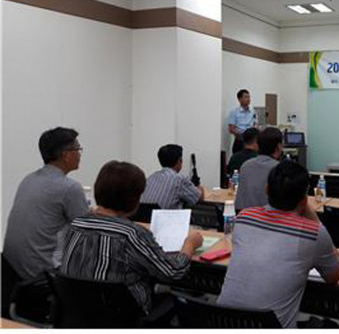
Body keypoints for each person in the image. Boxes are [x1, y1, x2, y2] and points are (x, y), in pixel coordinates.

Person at [59, 160, 203, 315]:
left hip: (78, 312)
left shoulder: (75, 225)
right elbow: (173, 272)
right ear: (133, 198)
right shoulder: (131, 234)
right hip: (124, 315)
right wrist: (190, 245)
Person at [218, 160, 339, 328]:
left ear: (267, 190)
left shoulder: (243, 218)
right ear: (304, 200)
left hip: (223, 323)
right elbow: (334, 277)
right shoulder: (313, 232)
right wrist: (313, 216)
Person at [3, 127, 89, 279]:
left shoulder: (28, 179)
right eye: (78, 149)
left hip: (11, 274)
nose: (80, 154)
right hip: (41, 278)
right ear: (66, 155)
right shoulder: (70, 187)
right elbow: (88, 233)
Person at [234, 127, 283, 211]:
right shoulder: (279, 169)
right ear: (278, 147)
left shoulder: (245, 166)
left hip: (243, 216)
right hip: (269, 217)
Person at [141, 144, 204, 209]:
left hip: (144, 215)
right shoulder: (179, 180)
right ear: (180, 161)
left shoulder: (150, 178)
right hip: (165, 215)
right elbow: (199, 198)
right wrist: (198, 186)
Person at [228, 89, 257, 154]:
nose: (248, 99)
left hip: (251, 142)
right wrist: (242, 134)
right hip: (240, 141)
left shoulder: (253, 112)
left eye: (249, 97)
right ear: (239, 99)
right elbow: (231, 129)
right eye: (246, 97)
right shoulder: (234, 112)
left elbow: (255, 124)